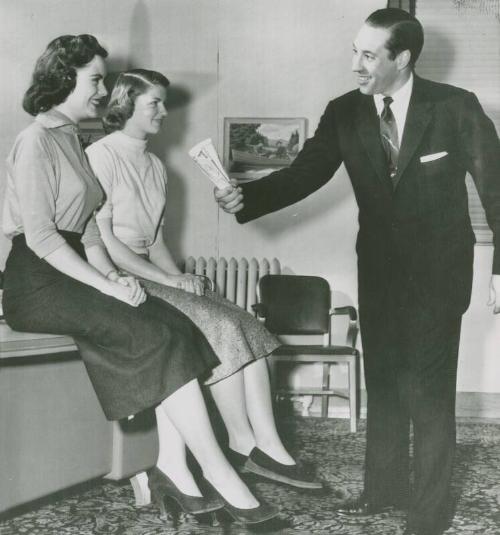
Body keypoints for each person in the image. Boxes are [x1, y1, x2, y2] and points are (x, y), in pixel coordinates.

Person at [215, 8, 500, 535]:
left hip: (440, 276)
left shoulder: (454, 107)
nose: (355, 65)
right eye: (354, 51)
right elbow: (305, 174)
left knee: (430, 392)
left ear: (403, 58)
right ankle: (383, 490)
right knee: (386, 384)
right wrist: (246, 196)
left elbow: (497, 189)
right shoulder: (344, 112)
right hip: (380, 274)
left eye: (368, 55)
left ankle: (429, 513)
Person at [2, 34, 279, 525]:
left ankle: (173, 467)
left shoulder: (74, 140)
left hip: (74, 273)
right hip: (36, 282)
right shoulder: (35, 140)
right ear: (64, 79)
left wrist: (113, 275)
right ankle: (218, 472)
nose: (102, 90)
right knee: (149, 332)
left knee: (173, 326)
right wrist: (106, 286)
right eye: (95, 79)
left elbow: (88, 231)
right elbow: (43, 238)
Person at [85, 68, 322, 492]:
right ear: (124, 105)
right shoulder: (100, 156)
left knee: (250, 324)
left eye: (163, 103)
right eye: (153, 103)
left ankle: (268, 444)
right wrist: (166, 280)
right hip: (116, 275)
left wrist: (178, 276)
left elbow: (154, 239)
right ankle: (243, 441)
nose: (162, 112)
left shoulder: (156, 165)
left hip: (151, 270)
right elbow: (103, 240)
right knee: (222, 326)